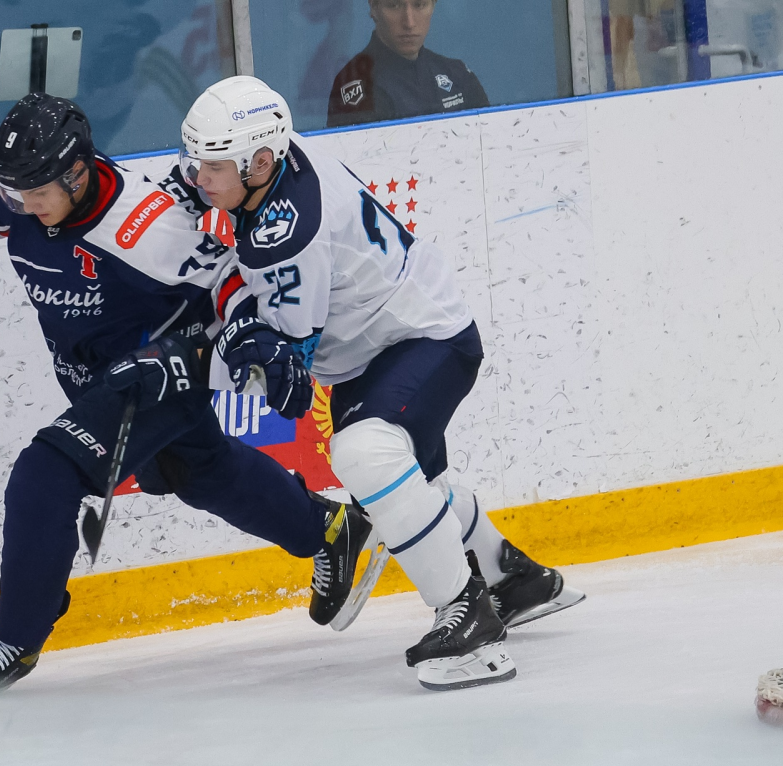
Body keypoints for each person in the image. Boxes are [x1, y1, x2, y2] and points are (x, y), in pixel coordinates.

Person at [0, 93, 373, 696]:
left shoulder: (144, 226)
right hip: (92, 369)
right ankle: (327, 529)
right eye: (14, 196)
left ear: (76, 173)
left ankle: (17, 635)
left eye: (36, 194)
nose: (23, 208)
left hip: (161, 370)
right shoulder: (9, 176)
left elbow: (227, 281)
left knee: (46, 474)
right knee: (195, 470)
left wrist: (245, 340)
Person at [181, 76, 584, 690]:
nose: (197, 177)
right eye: (194, 160)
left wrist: (214, 352)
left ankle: (468, 618)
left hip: (423, 339)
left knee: (365, 455)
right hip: (380, 344)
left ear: (259, 162)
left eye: (212, 167)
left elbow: (286, 374)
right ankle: (513, 580)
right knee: (412, 493)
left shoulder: (285, 236)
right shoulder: (278, 162)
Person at [326, 0, 488, 128]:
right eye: (394, 5)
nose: (409, 22)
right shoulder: (356, 85)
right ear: (374, 8)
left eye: (419, 5)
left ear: (433, 6)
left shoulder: (456, 73)